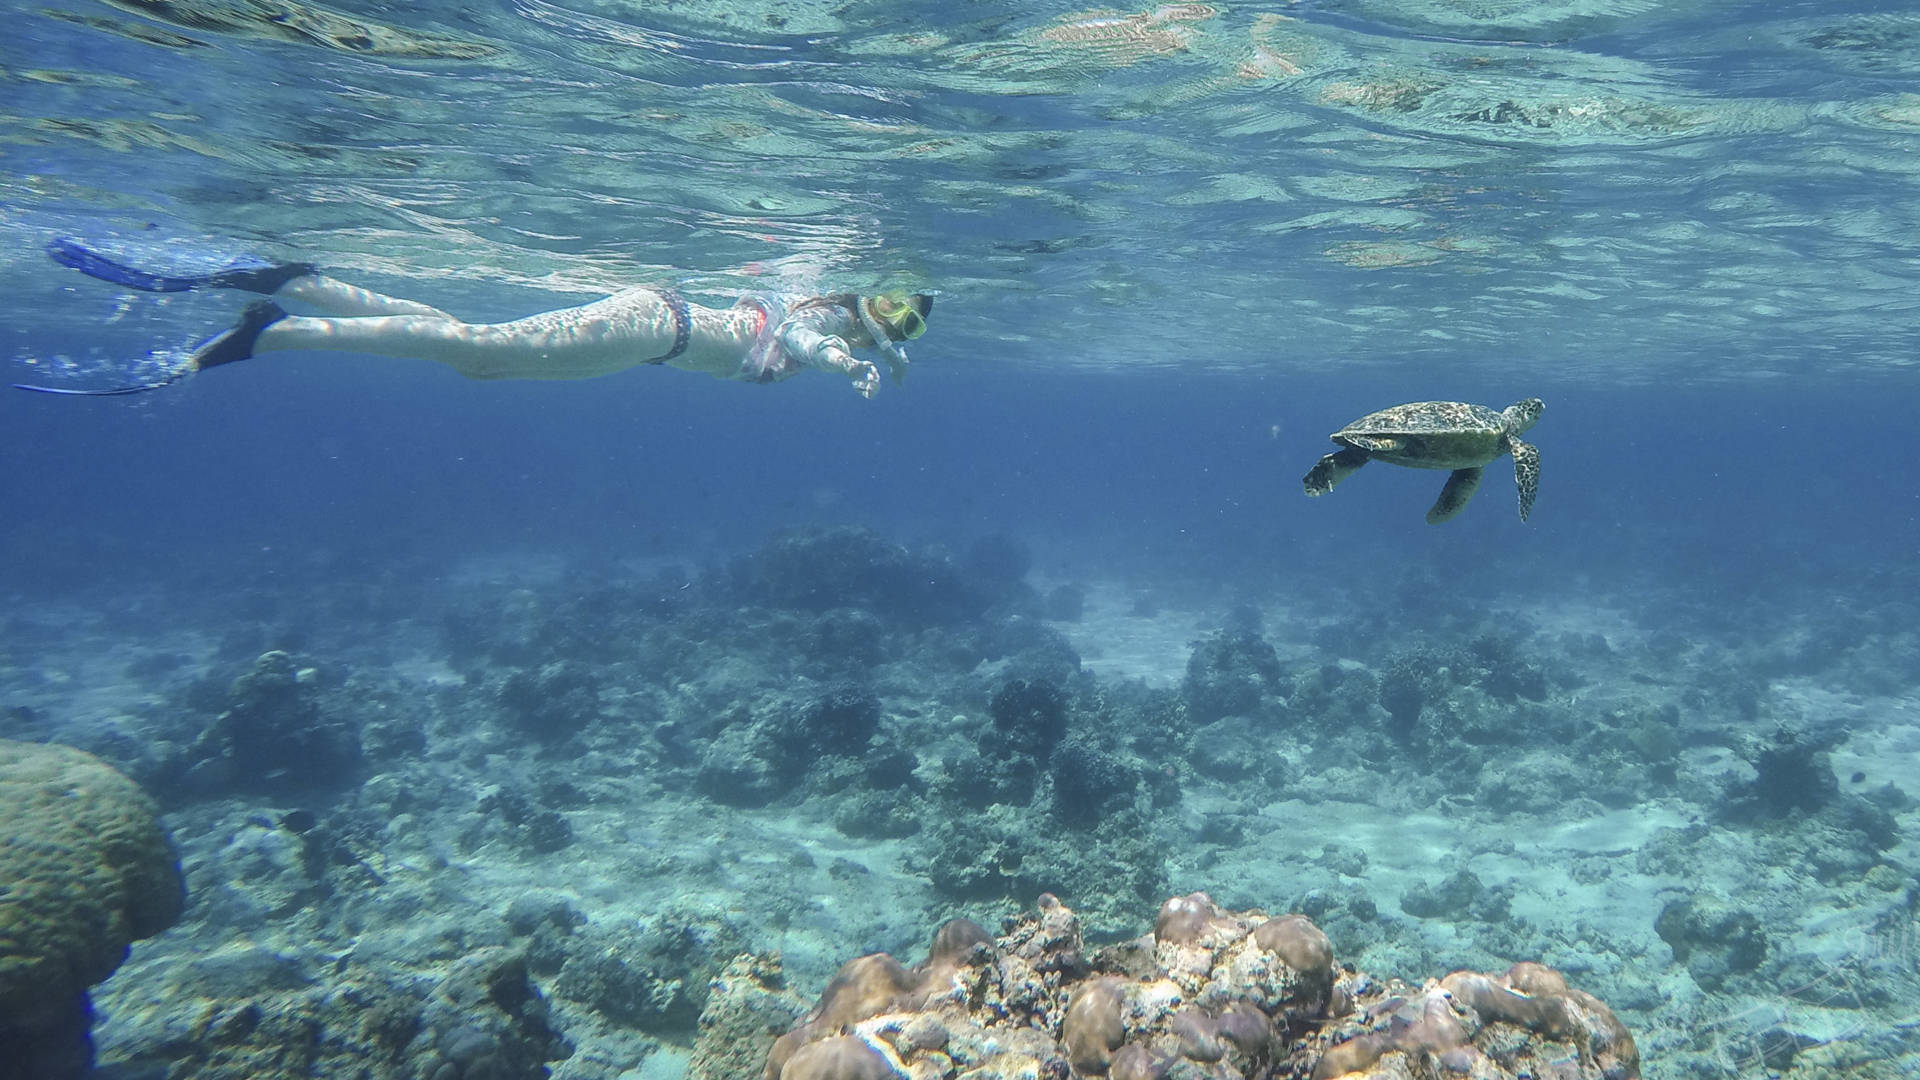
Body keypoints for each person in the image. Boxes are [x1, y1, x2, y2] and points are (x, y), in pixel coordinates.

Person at [13, 238, 932, 397]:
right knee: (474, 352)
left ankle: (298, 287)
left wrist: (866, 357)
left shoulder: (832, 317)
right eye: (894, 308)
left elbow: (820, 337)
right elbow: (808, 338)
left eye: (908, 320)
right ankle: (272, 327)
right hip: (658, 328)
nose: (894, 321)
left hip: (653, 330)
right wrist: (846, 361)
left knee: (471, 348)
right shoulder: (819, 315)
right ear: (866, 301)